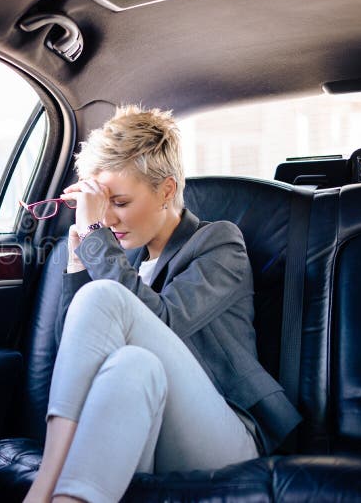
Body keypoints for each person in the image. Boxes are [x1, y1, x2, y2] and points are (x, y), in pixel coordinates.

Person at [23, 105, 302, 503]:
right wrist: (78, 261)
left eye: (118, 202)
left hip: (227, 435)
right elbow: (78, 348)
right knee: (132, 365)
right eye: (101, 207)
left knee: (107, 299)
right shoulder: (122, 257)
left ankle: (44, 485)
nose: (110, 219)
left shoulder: (219, 243)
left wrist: (96, 237)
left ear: (166, 190)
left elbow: (164, 323)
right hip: (148, 412)